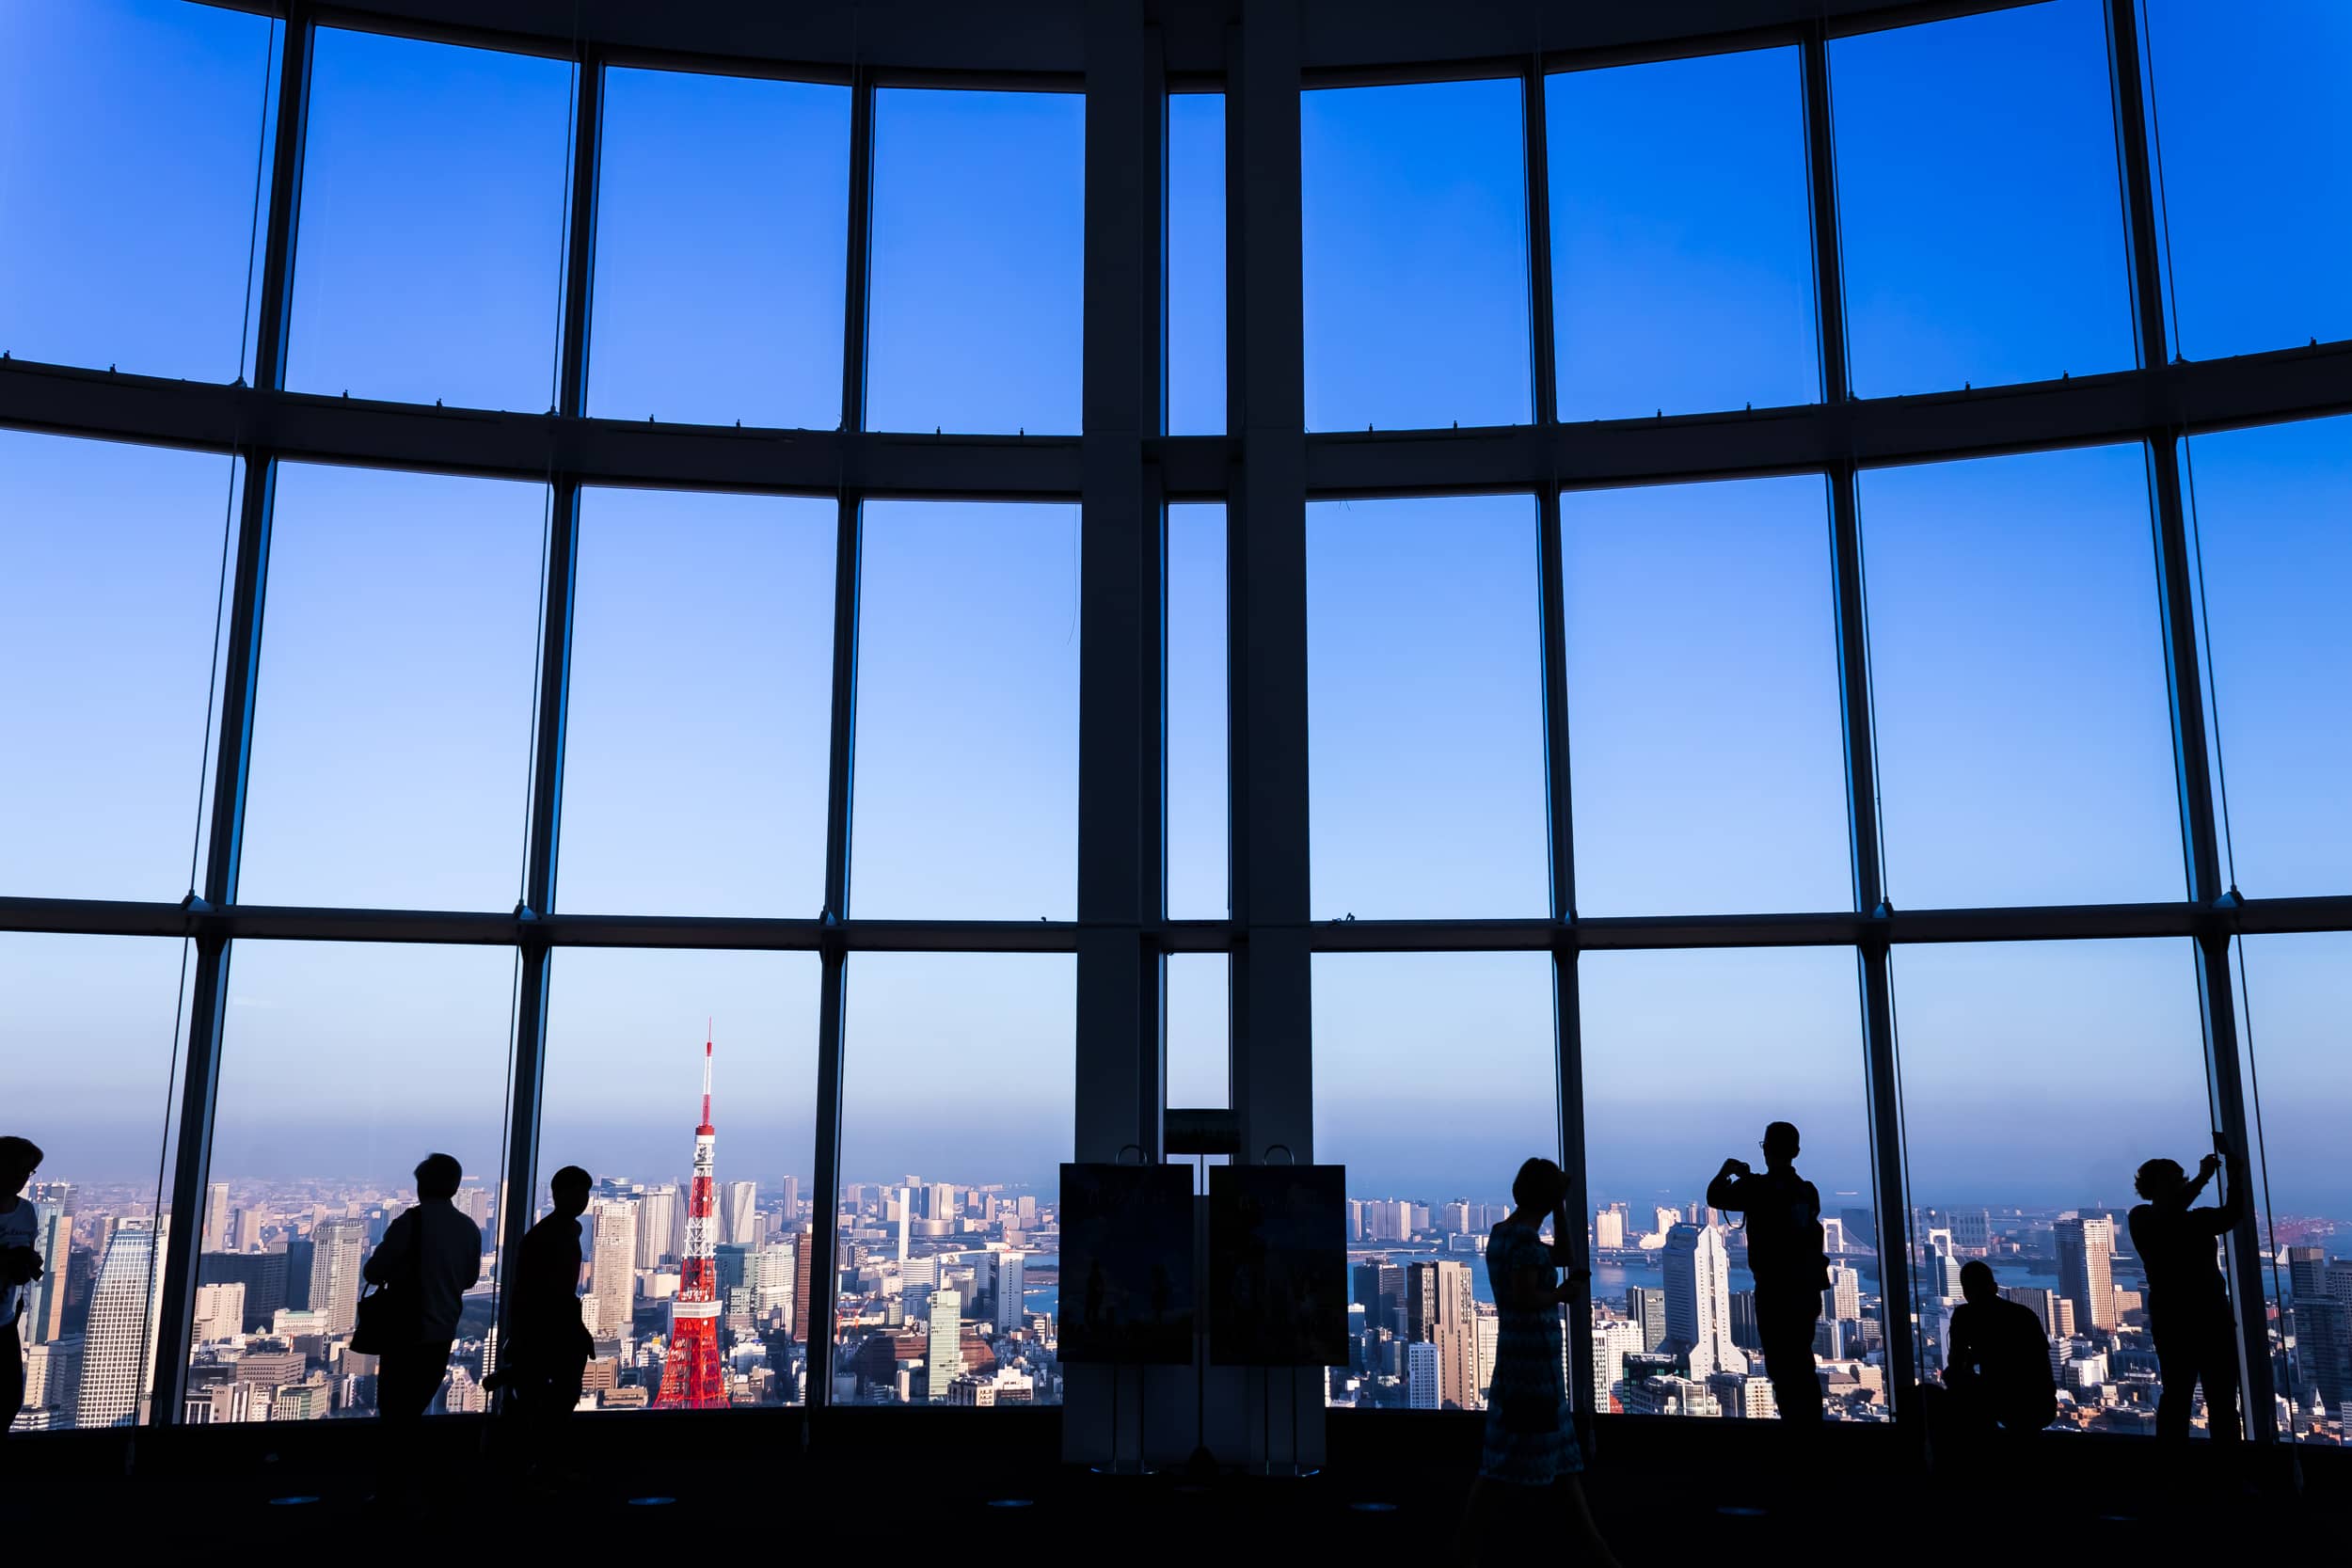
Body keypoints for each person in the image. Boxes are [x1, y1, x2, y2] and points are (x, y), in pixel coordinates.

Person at [1453, 1157, 1620, 1568]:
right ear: (1546, 1198)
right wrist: (1563, 1294)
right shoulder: (1525, 1243)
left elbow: (1562, 1254)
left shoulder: (1502, 1235)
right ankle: (1482, 1550)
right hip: (1533, 1366)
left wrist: (1557, 1207)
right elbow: (1526, 1297)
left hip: (1518, 1359)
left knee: (1551, 1462)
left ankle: (1594, 1547)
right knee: (1509, 1462)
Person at [1708, 1120, 1828, 1423]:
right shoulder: (1807, 1192)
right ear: (1796, 1152)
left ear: (1766, 1150)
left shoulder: (1756, 1188)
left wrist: (1727, 1172)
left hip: (1774, 1290)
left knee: (1781, 1365)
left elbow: (1715, 1197)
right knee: (1802, 1362)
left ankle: (1795, 1429)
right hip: (1806, 1288)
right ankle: (1812, 1428)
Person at [2128, 1135, 2246, 1443]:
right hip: (2204, 1316)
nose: (2178, 1186)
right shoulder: (2145, 1218)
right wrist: (2216, 1175)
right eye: (2173, 1181)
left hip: (2179, 1317)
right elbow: (2224, 1214)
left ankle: (2177, 1462)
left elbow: (2232, 1214)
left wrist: (2230, 1172)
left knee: (2186, 1397)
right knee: (2208, 1399)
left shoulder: (2147, 1220)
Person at [365, 1152, 482, 1425]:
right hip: (442, 1331)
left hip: (404, 1331)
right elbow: (470, 1279)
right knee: (416, 1404)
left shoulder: (409, 1223)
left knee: (393, 1409)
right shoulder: (468, 1228)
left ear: (421, 1186)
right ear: (455, 1187)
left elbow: (373, 1272)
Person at [494, 1165, 595, 1437]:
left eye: (585, 1194)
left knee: (551, 1403)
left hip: (553, 1331)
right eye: (576, 1193)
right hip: (545, 1333)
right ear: (558, 1194)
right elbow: (536, 1291)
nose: (583, 1200)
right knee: (547, 1406)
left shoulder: (564, 1232)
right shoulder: (549, 1236)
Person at [1932, 1260, 2056, 1453]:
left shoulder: (1965, 1315)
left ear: (1965, 1292)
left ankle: (1976, 1443)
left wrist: (1971, 1359)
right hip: (2040, 1404)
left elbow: (1955, 1363)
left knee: (1952, 1378)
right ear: (1995, 1287)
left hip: (1999, 1400)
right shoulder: (2024, 1315)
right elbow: (2041, 1366)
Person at [0, 1136, 46, 1435]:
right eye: (16, 1169)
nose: (21, 1178)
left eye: (27, 1172)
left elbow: (27, 1252)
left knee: (8, 1399)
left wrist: (27, 1263)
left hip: (5, 1318)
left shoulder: (27, 1211)